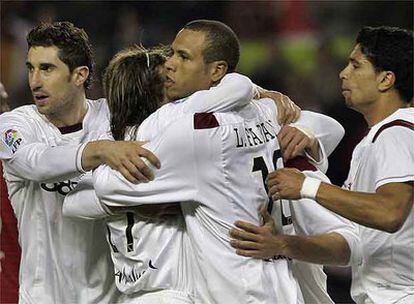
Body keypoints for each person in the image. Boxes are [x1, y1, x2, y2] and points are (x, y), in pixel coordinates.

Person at [65, 20, 358, 303]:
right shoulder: (264, 117)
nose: (171, 65)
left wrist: (100, 155)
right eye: (171, 58)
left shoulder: (188, 136)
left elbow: (88, 195)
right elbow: (325, 125)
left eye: (182, 57)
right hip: (278, 289)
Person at [0, 22, 159, 303]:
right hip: (42, 297)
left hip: (111, 297)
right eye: (30, 68)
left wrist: (257, 93)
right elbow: (34, 162)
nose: (34, 81)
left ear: (79, 75)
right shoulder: (14, 125)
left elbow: (182, 103)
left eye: (47, 69)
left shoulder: (113, 120)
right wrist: (100, 151)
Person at [265, 26, 414, 304]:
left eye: (356, 65)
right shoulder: (383, 136)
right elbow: (354, 246)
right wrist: (283, 245)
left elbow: (390, 212)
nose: (343, 73)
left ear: (386, 79)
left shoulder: (395, 132)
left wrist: (306, 186)